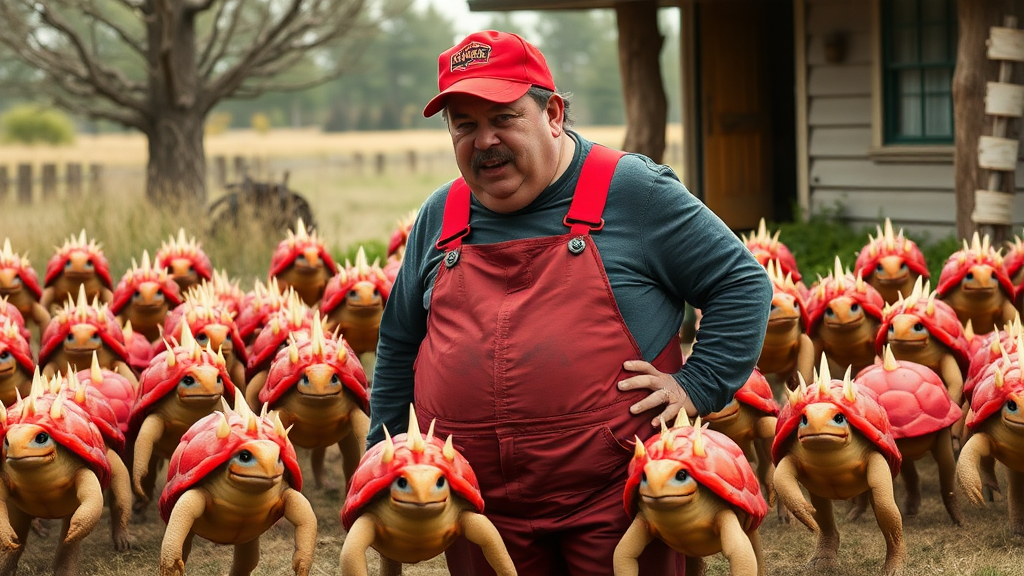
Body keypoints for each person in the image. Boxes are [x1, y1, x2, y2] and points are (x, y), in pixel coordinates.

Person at [367, 30, 772, 576]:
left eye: (503, 117)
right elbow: (398, 341)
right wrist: (383, 451)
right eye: (465, 124)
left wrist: (696, 384)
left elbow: (741, 284)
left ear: (553, 113)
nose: (484, 140)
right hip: (476, 502)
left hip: (617, 495)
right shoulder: (441, 214)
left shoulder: (633, 192)